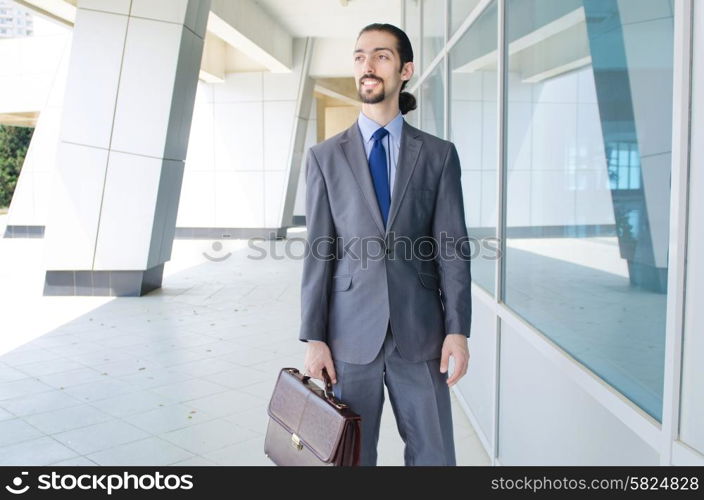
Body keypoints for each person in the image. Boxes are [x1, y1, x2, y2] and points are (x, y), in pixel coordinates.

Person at [299, 23, 472, 466]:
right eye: (359, 57)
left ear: (405, 69)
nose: (367, 66)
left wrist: (457, 329)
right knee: (349, 458)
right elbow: (320, 251)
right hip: (348, 338)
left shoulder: (437, 154)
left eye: (380, 56)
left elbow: (452, 246)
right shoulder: (324, 157)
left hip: (421, 334)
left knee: (434, 456)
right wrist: (314, 337)